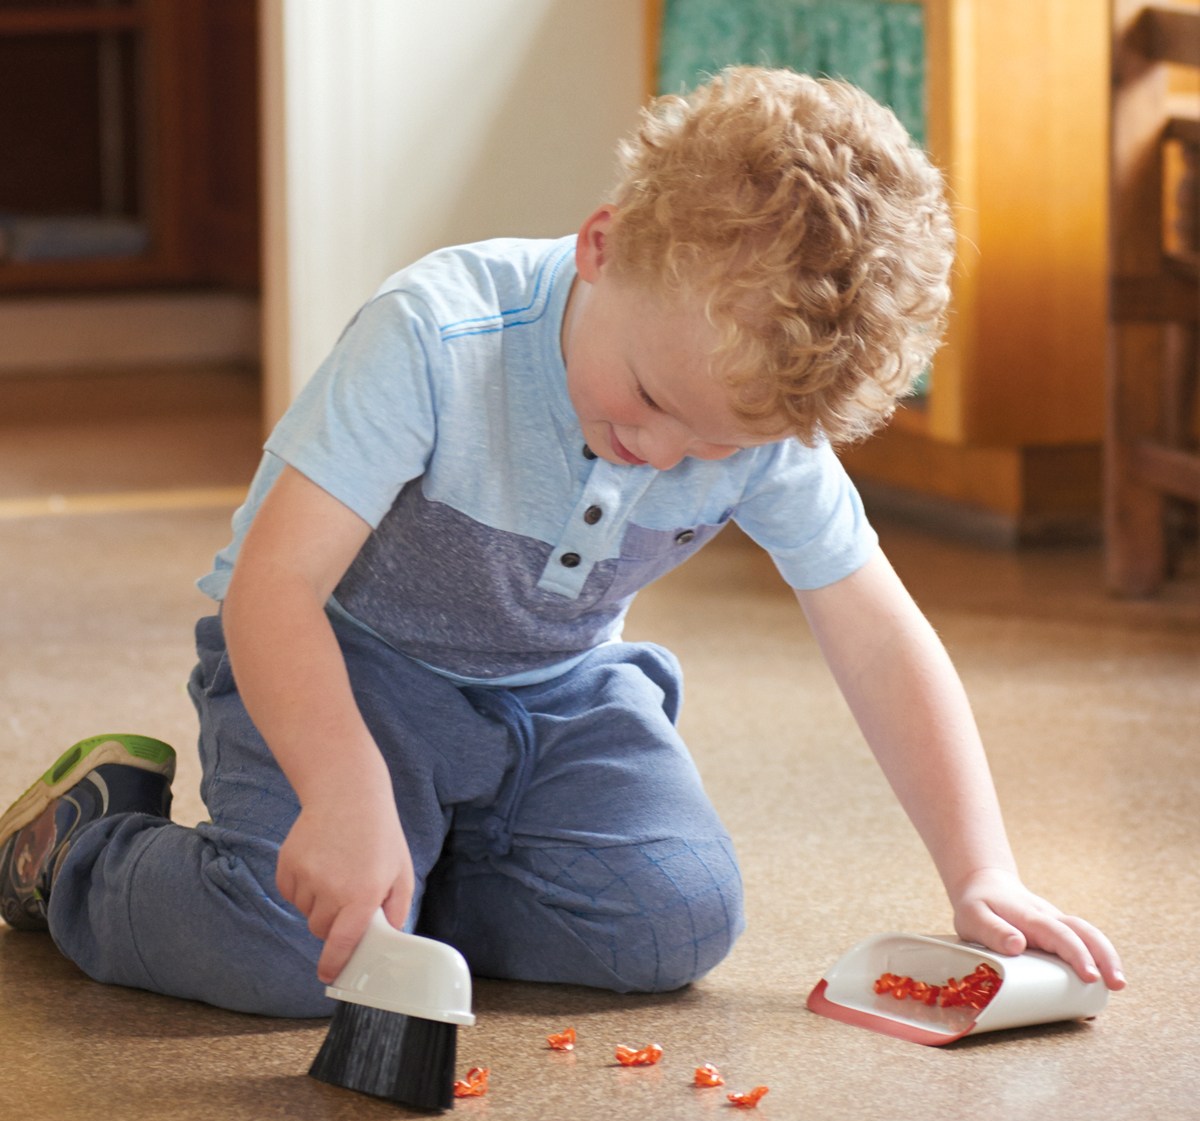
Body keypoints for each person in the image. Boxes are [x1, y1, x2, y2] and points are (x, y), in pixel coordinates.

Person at [0, 68, 1125, 1017]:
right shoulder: (436, 336)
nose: (657, 453)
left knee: (673, 925)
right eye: (645, 399)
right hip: (345, 675)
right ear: (602, 245)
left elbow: (878, 634)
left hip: (562, 695)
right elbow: (273, 588)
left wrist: (981, 872)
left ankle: (418, 870)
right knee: (290, 958)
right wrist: (345, 798)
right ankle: (82, 853)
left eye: (708, 445)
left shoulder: (751, 415)